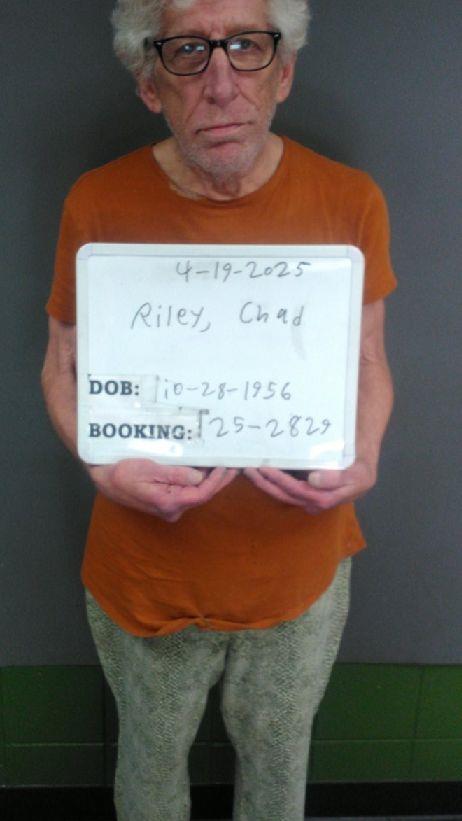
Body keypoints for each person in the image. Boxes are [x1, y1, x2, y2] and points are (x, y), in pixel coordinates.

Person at [42, 1, 396, 819]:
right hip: (148, 571)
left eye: (247, 46)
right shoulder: (97, 201)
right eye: (188, 52)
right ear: (150, 85)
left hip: (298, 568)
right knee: (149, 766)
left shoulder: (350, 200)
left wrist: (366, 451)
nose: (222, 83)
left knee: (278, 769)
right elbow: (61, 363)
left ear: (285, 72)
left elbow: (370, 359)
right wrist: (99, 458)